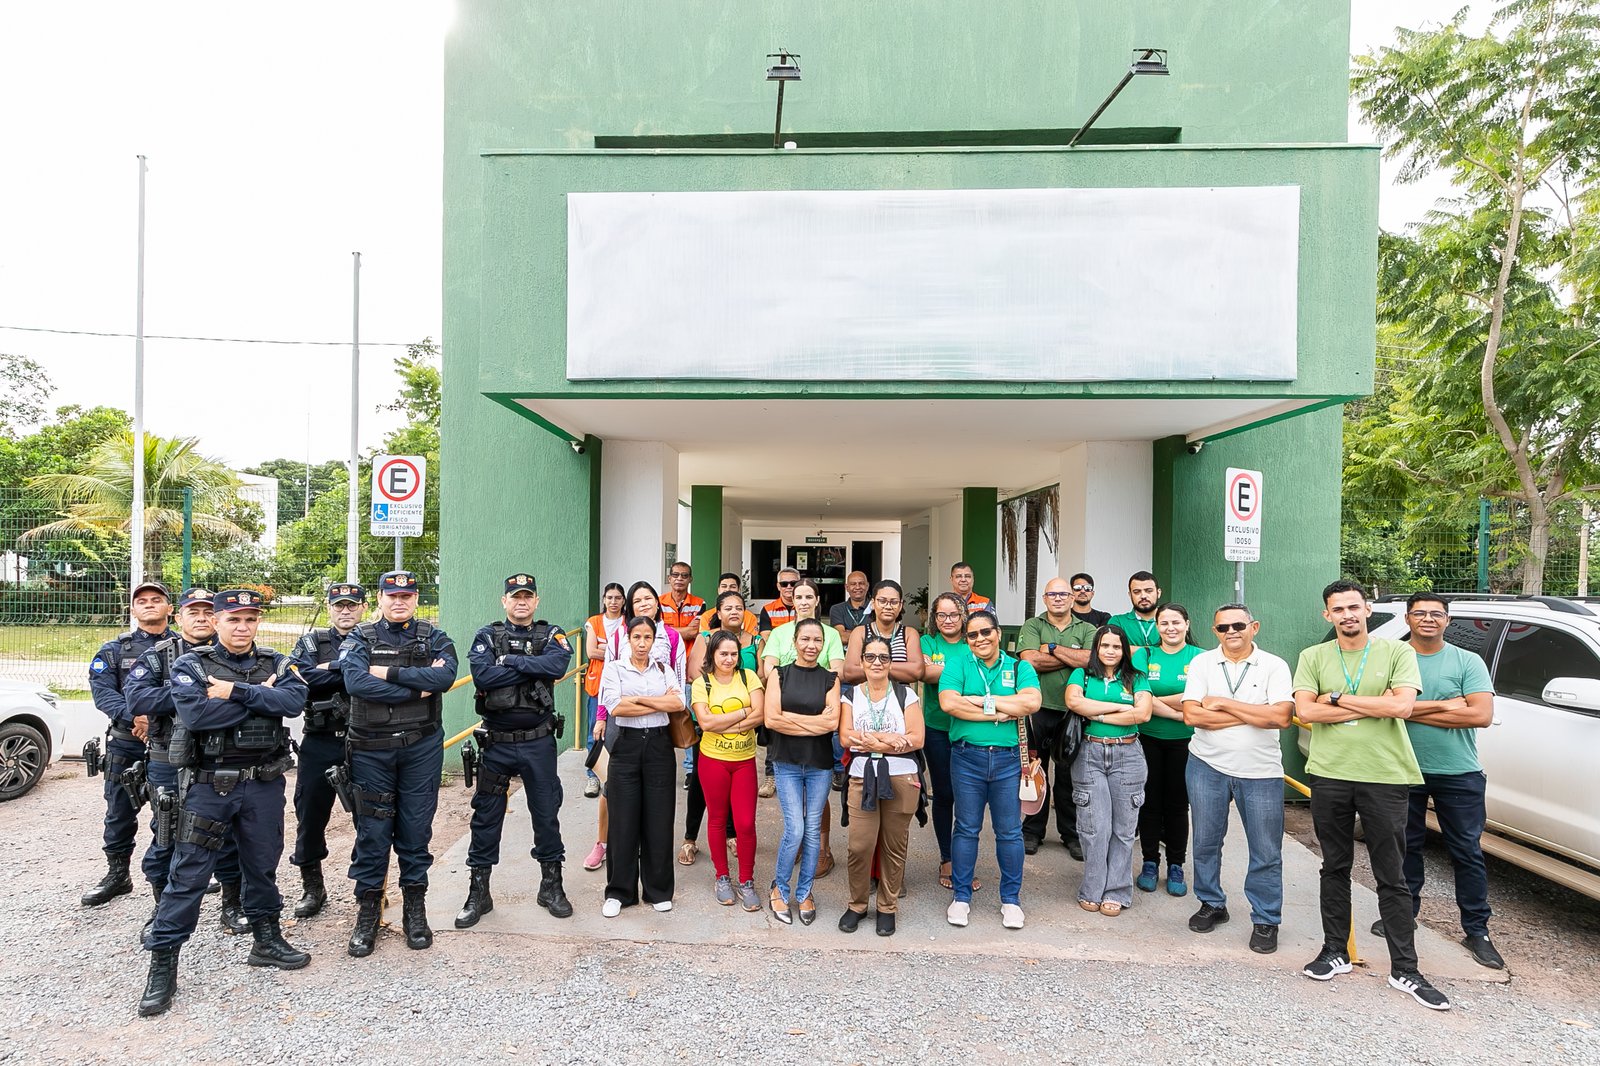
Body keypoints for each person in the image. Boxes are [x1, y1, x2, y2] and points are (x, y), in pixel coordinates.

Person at [137, 589, 308, 1017]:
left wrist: (233, 692)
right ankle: (163, 966)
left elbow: (292, 702)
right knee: (189, 872)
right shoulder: (189, 664)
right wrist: (259, 699)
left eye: (250, 619)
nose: (242, 627)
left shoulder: (278, 662)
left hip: (264, 784)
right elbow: (196, 716)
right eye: (233, 619)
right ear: (215, 622)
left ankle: (266, 940)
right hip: (208, 786)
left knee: (262, 864)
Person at [1294, 580, 1449, 1011]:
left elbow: (1402, 707)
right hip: (1330, 774)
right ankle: (1334, 951)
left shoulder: (1397, 652)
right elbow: (1304, 712)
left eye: (1353, 607)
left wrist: (1339, 698)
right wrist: (1371, 701)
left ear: (1368, 609)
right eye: (1337, 609)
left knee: (1391, 873)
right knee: (1334, 866)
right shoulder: (1313, 656)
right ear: (1327, 615)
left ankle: (1406, 969)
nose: (1346, 615)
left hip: (1384, 775)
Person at [338, 570, 459, 958]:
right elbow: (356, 683)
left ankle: (414, 909)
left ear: (416, 598)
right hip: (371, 749)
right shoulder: (360, 637)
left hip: (420, 747)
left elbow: (448, 676)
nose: (399, 601)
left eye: (406, 595)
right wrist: (416, 685)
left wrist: (387, 673)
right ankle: (369, 912)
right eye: (392, 595)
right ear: (380, 598)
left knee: (415, 828)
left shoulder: (433, 636)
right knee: (372, 832)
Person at [1385, 593, 1502, 969]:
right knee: (1407, 847)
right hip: (1404, 768)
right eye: (1420, 613)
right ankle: (1406, 915)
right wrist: (1448, 704)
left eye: (1437, 614)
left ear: (1448, 621)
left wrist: (1410, 712)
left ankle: (1477, 930)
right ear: (1407, 619)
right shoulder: (1394, 659)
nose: (1429, 619)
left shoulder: (1467, 661)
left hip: (1458, 771)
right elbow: (1387, 710)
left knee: (1466, 851)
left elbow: (1480, 716)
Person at [457, 573, 575, 929]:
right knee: (486, 816)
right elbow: (483, 677)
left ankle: (551, 886)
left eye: (528, 596)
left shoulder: (550, 633)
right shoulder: (487, 636)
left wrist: (509, 662)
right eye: (515, 596)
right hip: (496, 743)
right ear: (504, 601)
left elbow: (557, 666)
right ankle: (479, 892)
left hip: (538, 742)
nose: (521, 601)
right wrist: (529, 669)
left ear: (536, 601)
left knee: (545, 813)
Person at [1181, 603, 1294, 955]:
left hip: (1260, 772)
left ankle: (1265, 919)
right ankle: (1212, 903)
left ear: (1253, 627)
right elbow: (1191, 715)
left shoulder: (1274, 665)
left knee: (1265, 849)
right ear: (1215, 631)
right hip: (1206, 765)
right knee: (1205, 842)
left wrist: (1222, 704)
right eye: (1222, 627)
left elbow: (1281, 717)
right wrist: (1252, 714)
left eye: (1238, 625)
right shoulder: (1202, 662)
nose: (1231, 632)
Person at [124, 586, 218, 941]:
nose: (202, 618)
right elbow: (136, 697)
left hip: (218, 758)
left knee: (223, 833)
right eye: (194, 611)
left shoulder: (233, 655)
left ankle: (233, 906)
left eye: (209, 611)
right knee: (166, 828)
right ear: (180, 617)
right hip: (167, 757)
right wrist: (192, 692)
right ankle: (162, 906)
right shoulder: (158, 655)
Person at [940, 609, 1041, 930]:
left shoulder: (1019, 666)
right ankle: (961, 897)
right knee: (967, 828)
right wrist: (998, 709)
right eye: (973, 635)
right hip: (967, 757)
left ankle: (1011, 901)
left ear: (998, 633)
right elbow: (949, 703)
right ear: (967, 639)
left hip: (1009, 760)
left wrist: (978, 701)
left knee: (1009, 831)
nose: (980, 639)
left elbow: (1031, 703)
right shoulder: (958, 663)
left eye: (986, 632)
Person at [82, 581, 174, 909]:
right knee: (119, 811)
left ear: (169, 608)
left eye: (157, 600)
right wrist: (137, 716)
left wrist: (155, 719)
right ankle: (118, 874)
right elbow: (103, 691)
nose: (149, 605)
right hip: (126, 743)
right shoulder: (114, 650)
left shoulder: (184, 647)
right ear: (133, 610)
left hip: (172, 742)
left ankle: (176, 874)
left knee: (173, 812)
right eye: (142, 601)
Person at [586, 581, 686, 874]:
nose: (643, 603)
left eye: (649, 598)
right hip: (623, 723)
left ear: (658, 602)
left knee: (656, 796)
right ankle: (603, 843)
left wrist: (646, 700)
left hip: (658, 727)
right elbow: (610, 687)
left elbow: (677, 687)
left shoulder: (670, 637)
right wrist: (603, 716)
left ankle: (648, 855)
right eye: (637, 599)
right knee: (614, 788)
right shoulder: (619, 636)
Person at [284, 581, 366, 920]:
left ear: (364, 607)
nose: (345, 610)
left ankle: (367, 887)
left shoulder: (372, 638)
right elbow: (301, 679)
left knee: (369, 815)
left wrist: (327, 669)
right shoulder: (311, 642)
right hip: (320, 740)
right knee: (310, 813)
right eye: (339, 605)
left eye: (351, 604)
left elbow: (375, 680)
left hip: (363, 739)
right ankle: (312, 886)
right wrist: (348, 670)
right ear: (330, 608)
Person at [597, 614, 684, 916]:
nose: (643, 643)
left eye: (648, 637)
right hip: (626, 746)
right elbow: (616, 707)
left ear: (654, 640)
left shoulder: (664, 668)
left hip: (660, 746)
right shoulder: (614, 669)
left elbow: (678, 703)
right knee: (623, 820)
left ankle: (657, 890)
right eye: (637, 637)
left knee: (659, 820)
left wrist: (639, 700)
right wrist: (657, 699)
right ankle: (619, 892)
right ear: (628, 639)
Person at [838, 633, 925, 936]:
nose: (877, 663)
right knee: (859, 845)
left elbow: (916, 738)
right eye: (871, 657)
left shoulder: (906, 695)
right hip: (863, 776)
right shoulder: (851, 695)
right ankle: (858, 904)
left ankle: (887, 907)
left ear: (891, 662)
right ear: (861, 661)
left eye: (883, 658)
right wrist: (890, 739)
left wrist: (874, 741)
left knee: (894, 846)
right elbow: (845, 737)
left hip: (902, 777)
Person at [1065, 625, 1153, 917]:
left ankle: (1117, 891)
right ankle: (1091, 888)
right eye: (1105, 646)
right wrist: (1119, 709)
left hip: (1128, 754)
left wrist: (1098, 713)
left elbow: (1143, 714)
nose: (1111, 652)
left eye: (1117, 647)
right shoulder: (1082, 675)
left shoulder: (1137, 678)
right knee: (1093, 828)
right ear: (1096, 648)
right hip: (1090, 753)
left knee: (1124, 829)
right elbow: (1073, 702)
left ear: (1124, 650)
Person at [841, 578, 923, 878]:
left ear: (901, 605)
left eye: (894, 601)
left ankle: (889, 877)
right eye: (882, 600)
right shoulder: (861, 632)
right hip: (865, 709)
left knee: (894, 816)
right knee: (866, 812)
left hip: (902, 710)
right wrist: (886, 668)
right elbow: (848, 672)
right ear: (873, 602)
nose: (888, 606)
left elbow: (918, 671)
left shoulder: (909, 632)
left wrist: (875, 668)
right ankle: (870, 876)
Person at [764, 618, 841, 926]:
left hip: (820, 764)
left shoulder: (830, 679)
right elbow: (771, 719)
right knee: (795, 829)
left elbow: (832, 723)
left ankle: (805, 891)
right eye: (805, 639)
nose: (811, 645)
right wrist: (812, 723)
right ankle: (779, 889)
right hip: (787, 763)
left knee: (812, 831)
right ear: (794, 641)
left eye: (817, 641)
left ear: (823, 645)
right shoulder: (778, 675)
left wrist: (790, 720)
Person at [1015, 577, 1096, 859]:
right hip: (1037, 709)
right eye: (1053, 594)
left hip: (1072, 713)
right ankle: (1032, 831)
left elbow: (1091, 661)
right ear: (1045, 598)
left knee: (1067, 776)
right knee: (1034, 772)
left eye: (1064, 594)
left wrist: (1050, 649)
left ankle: (1070, 834)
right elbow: (1029, 661)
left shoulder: (1087, 628)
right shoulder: (1033, 626)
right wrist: (1072, 656)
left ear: (1072, 598)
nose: (1058, 598)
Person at [681, 590, 759, 867]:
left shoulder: (755, 640)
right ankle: (690, 838)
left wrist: (735, 721)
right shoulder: (705, 638)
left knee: (733, 785)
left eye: (740, 607)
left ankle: (731, 835)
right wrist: (730, 715)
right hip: (711, 720)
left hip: (740, 728)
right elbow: (694, 674)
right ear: (719, 612)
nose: (735, 612)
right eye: (729, 607)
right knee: (702, 787)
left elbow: (758, 680)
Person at [688, 629, 764, 911]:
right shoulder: (702, 683)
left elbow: (762, 713)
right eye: (723, 654)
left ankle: (746, 880)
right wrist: (744, 713)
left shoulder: (749, 677)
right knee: (718, 819)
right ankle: (722, 876)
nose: (729, 659)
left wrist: (727, 722)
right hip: (713, 760)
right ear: (712, 655)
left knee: (745, 823)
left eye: (734, 654)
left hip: (744, 761)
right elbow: (705, 723)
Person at [1133, 603, 1204, 897]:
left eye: (1176, 622)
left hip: (1186, 743)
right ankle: (1150, 861)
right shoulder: (1144, 655)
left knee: (1177, 805)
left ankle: (1176, 864)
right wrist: (1179, 710)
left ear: (1187, 624)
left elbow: (1202, 696)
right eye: (1164, 623)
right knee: (1149, 803)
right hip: (1147, 738)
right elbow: (1138, 696)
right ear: (1157, 627)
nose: (1170, 628)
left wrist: (1155, 702)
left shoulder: (1200, 658)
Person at [920, 592, 972, 891]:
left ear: (963, 616)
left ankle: (965, 862)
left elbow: (937, 673)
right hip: (936, 728)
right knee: (944, 793)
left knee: (968, 796)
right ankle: (947, 857)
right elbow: (924, 673)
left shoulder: (972, 643)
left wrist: (941, 673)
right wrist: (963, 674)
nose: (948, 620)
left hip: (969, 729)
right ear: (934, 618)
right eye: (941, 615)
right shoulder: (928, 643)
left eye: (953, 615)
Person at [755, 567, 800, 798]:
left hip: (805, 676)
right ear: (778, 586)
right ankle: (771, 776)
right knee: (774, 728)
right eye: (785, 584)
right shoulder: (768, 610)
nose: (790, 588)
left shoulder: (806, 604)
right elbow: (767, 639)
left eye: (794, 583)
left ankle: (799, 775)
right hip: (778, 677)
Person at [581, 582, 627, 798]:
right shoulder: (594, 622)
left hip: (623, 685)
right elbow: (591, 651)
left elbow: (628, 653)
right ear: (604, 599)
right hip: (597, 683)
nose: (614, 602)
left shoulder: (628, 622)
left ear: (624, 601)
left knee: (618, 731)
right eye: (610, 597)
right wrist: (613, 650)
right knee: (595, 730)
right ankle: (593, 776)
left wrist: (605, 648)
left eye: (618, 598)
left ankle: (613, 775)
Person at [1107, 571, 1164, 649]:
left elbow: (1177, 651)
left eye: (1149, 591)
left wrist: (1129, 648)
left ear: (1158, 593)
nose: (1143, 596)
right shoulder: (1118, 621)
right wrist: (1159, 650)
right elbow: (1115, 650)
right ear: (1130, 595)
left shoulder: (1171, 621)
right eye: (1137, 592)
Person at [660, 561, 705, 646]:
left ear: (690, 579)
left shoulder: (699, 603)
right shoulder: (658, 603)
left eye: (684, 575)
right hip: (666, 656)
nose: (679, 578)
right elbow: (658, 632)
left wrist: (668, 630)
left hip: (690, 656)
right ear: (669, 578)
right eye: (675, 575)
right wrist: (687, 629)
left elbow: (694, 632)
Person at [828, 570, 872, 639]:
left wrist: (848, 632)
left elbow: (880, 635)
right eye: (853, 584)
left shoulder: (875, 608)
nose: (857, 587)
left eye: (861, 583)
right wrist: (869, 635)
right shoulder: (837, 609)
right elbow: (842, 637)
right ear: (847, 587)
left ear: (867, 586)